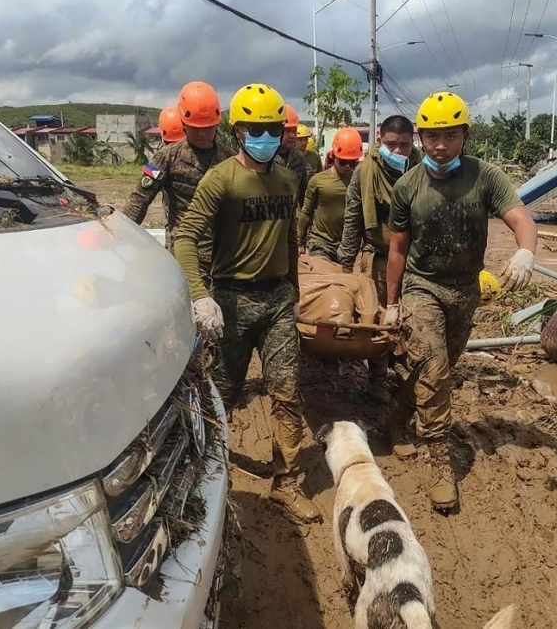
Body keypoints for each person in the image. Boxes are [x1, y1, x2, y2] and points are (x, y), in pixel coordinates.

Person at [174, 82, 321, 525]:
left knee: (287, 393)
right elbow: (185, 238)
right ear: (237, 130)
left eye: (273, 128)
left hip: (277, 300)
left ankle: (287, 483)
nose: (266, 135)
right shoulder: (221, 179)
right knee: (221, 395)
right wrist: (201, 297)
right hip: (232, 302)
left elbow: (290, 239)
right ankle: (207, 473)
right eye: (256, 128)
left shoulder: (287, 177)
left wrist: (294, 290)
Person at [384, 92, 538, 513]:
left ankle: (397, 419)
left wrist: (526, 251)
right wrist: (392, 302)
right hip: (422, 288)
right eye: (432, 137)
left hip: (465, 291)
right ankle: (440, 464)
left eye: (449, 136)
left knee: (435, 369)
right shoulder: (408, 186)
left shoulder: (485, 177)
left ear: (465, 135)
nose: (439, 145)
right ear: (420, 138)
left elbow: (519, 217)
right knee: (435, 372)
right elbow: (397, 249)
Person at [336, 115, 421, 414]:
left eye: (405, 145)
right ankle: (377, 377)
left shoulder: (423, 171)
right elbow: (352, 219)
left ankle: (409, 373)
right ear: (380, 142)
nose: (398, 151)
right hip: (378, 257)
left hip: (417, 260)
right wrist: (345, 266)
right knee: (380, 320)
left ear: (413, 143)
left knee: (414, 319)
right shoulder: (364, 173)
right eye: (390, 145)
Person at [123, 82, 232, 287]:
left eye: (208, 128)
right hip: (187, 251)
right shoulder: (165, 158)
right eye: (195, 128)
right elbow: (140, 199)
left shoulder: (228, 158)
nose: (202, 134)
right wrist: (119, 237)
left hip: (223, 254)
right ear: (183, 123)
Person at [297, 127, 363, 262]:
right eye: (343, 162)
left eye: (353, 163)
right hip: (321, 242)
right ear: (334, 156)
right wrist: (299, 241)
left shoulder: (360, 181)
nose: (347, 167)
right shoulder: (317, 181)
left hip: (348, 246)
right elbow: (306, 212)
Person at [274, 104, 311, 206]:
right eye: (287, 131)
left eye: (294, 131)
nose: (292, 136)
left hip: (292, 217)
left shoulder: (299, 158)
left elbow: (304, 192)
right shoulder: (265, 158)